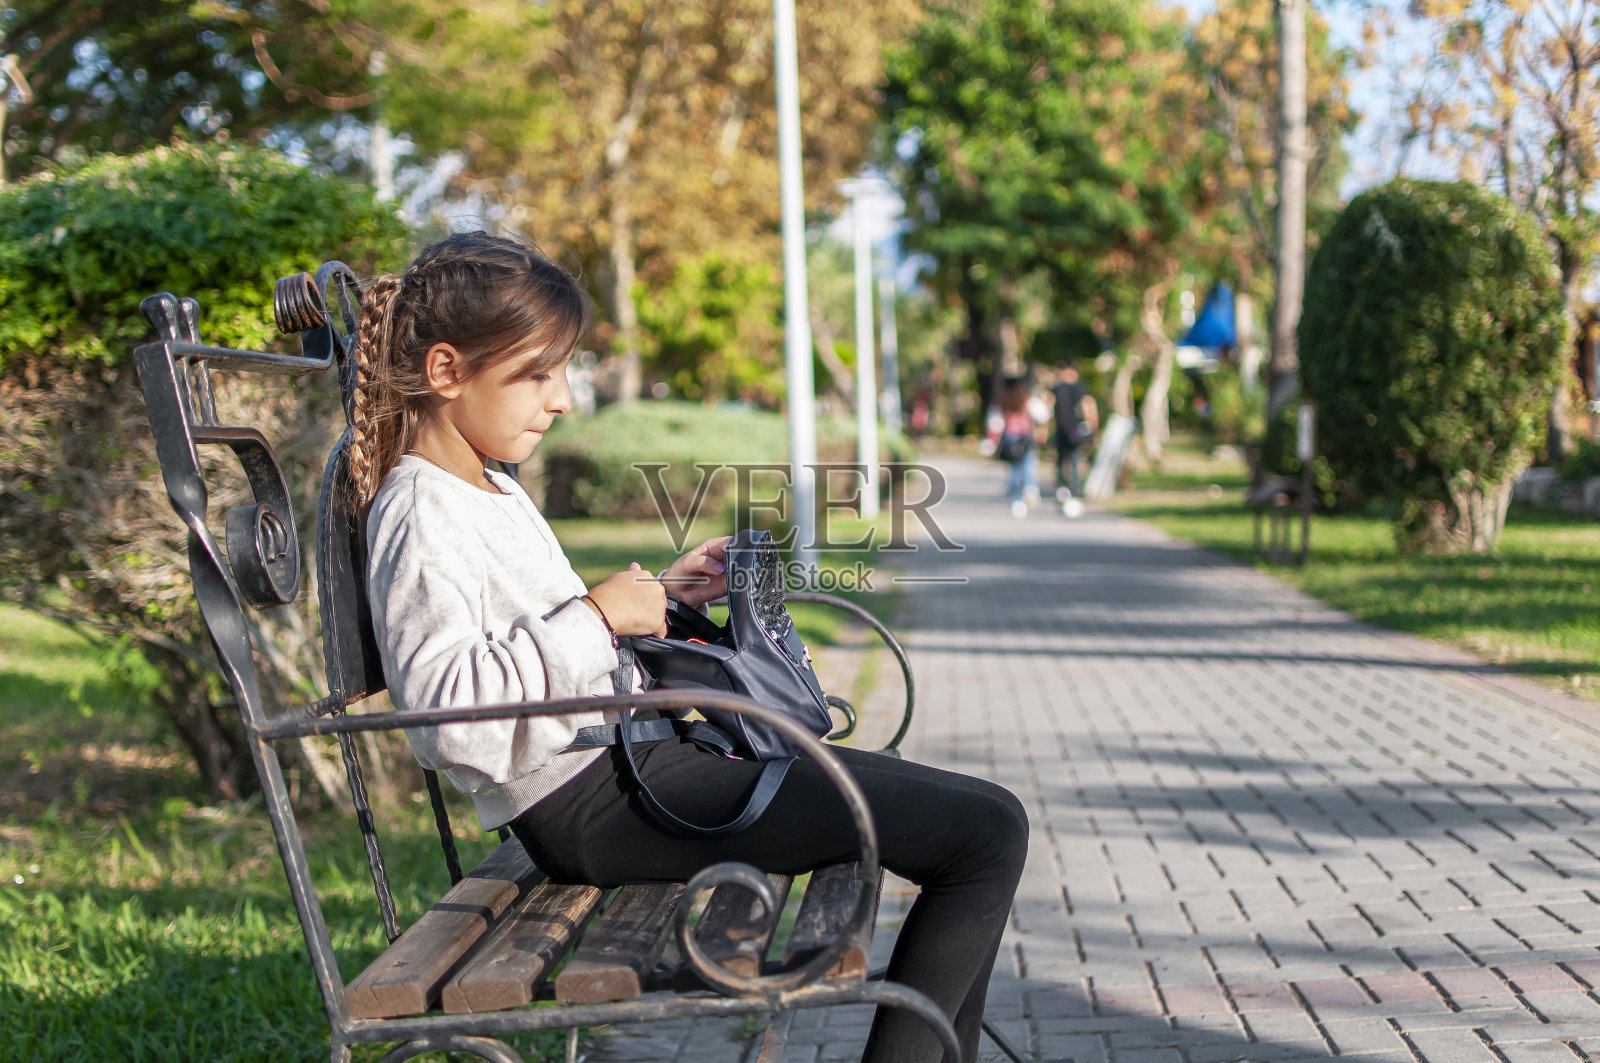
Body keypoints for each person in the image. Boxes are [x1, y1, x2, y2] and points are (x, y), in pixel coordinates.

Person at [355, 232, 1027, 1063]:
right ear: (447, 371)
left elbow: (542, 634)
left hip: (634, 767)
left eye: (563, 371)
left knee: (987, 822)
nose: (561, 399)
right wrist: (597, 619)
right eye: (536, 373)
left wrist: (661, 597)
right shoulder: (420, 510)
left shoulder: (485, 485)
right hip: (595, 802)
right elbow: (448, 718)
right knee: (984, 833)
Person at [983, 376, 1048, 517]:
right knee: (1029, 464)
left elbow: (995, 422)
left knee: (1014, 467)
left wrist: (993, 440)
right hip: (1026, 437)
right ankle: (1031, 490)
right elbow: (1043, 415)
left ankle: (1016, 496)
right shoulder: (1028, 399)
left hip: (1010, 437)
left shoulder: (1002, 400)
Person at [1049, 359, 1098, 514]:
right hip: (1076, 430)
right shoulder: (1080, 387)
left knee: (1061, 463)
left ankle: (1063, 491)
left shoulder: (1057, 388)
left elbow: (1048, 408)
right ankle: (1074, 491)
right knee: (1075, 461)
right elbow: (1088, 405)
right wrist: (1092, 425)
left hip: (1062, 430)